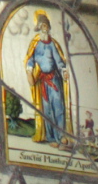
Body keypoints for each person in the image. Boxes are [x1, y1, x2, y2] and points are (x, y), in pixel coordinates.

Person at [25, 10, 68, 144]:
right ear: (38, 27)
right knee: (47, 110)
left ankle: (61, 136)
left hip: (54, 79)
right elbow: (30, 59)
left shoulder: (52, 45)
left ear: (48, 28)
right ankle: (50, 138)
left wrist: (64, 70)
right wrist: (29, 72)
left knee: (58, 107)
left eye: (46, 26)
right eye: (42, 26)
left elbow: (58, 59)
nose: (44, 28)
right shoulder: (36, 44)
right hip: (43, 81)